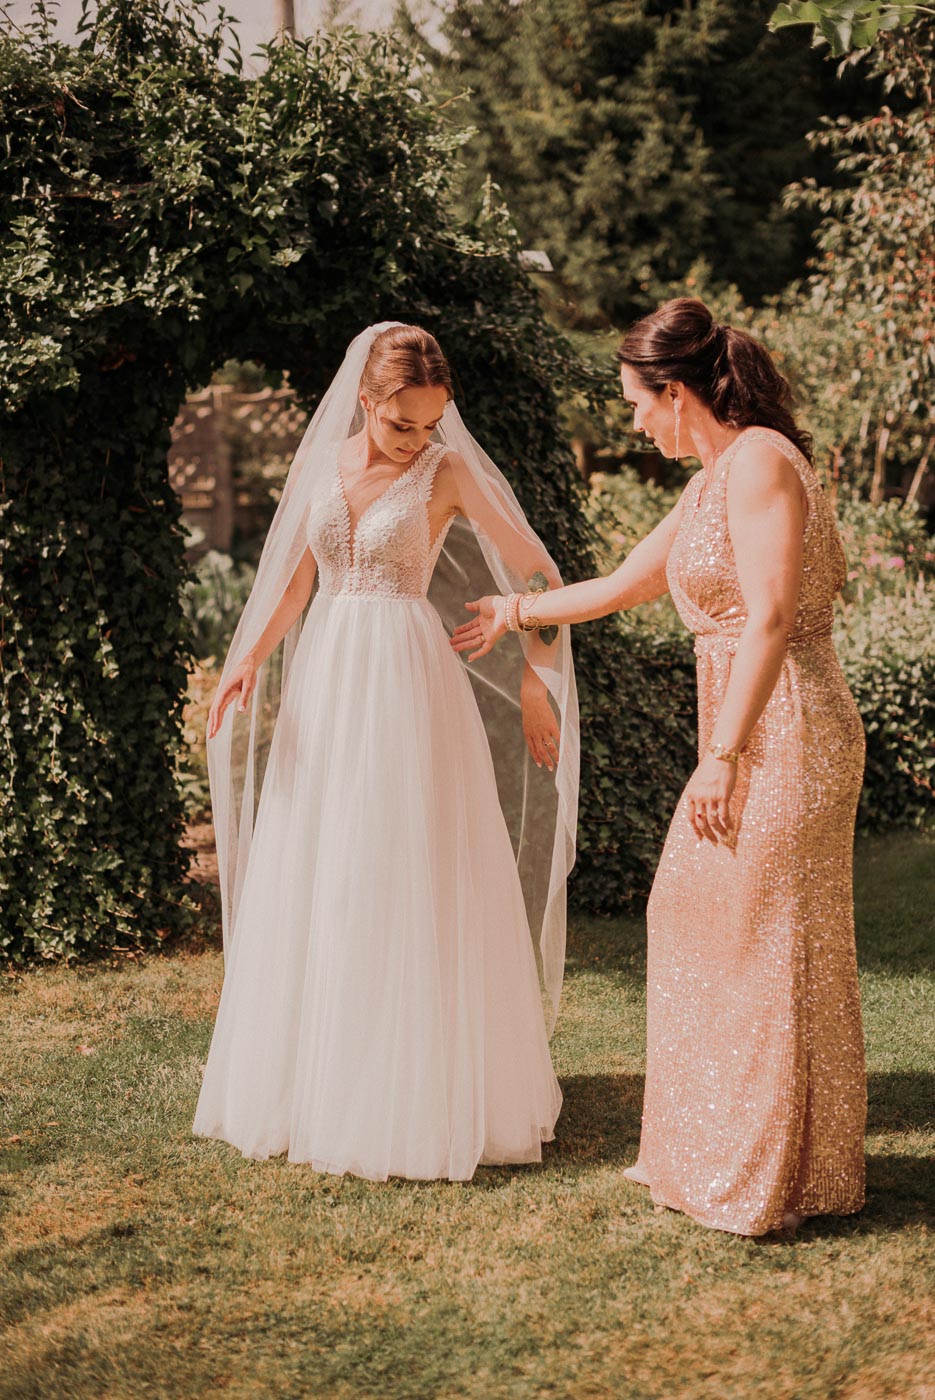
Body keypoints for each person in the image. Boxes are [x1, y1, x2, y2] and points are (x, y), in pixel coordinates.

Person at [452, 297, 866, 1237]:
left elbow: (769, 618)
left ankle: (762, 1173)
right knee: (700, 917)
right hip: (749, 723)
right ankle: (720, 1148)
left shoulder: (759, 462)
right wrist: (515, 612)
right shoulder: (710, 482)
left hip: (788, 723)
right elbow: (620, 586)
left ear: (675, 392)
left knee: (763, 934)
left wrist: (722, 755)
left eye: (637, 405)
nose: (634, 423)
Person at [193, 323, 579, 1183]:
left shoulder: (447, 472)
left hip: (407, 680)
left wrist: (533, 680)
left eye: (430, 423)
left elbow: (539, 573)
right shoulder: (320, 462)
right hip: (328, 677)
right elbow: (299, 577)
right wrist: (248, 658)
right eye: (402, 423)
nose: (416, 439)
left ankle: (419, 1077)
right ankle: (319, 1078)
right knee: (322, 859)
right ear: (365, 400)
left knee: (401, 862)